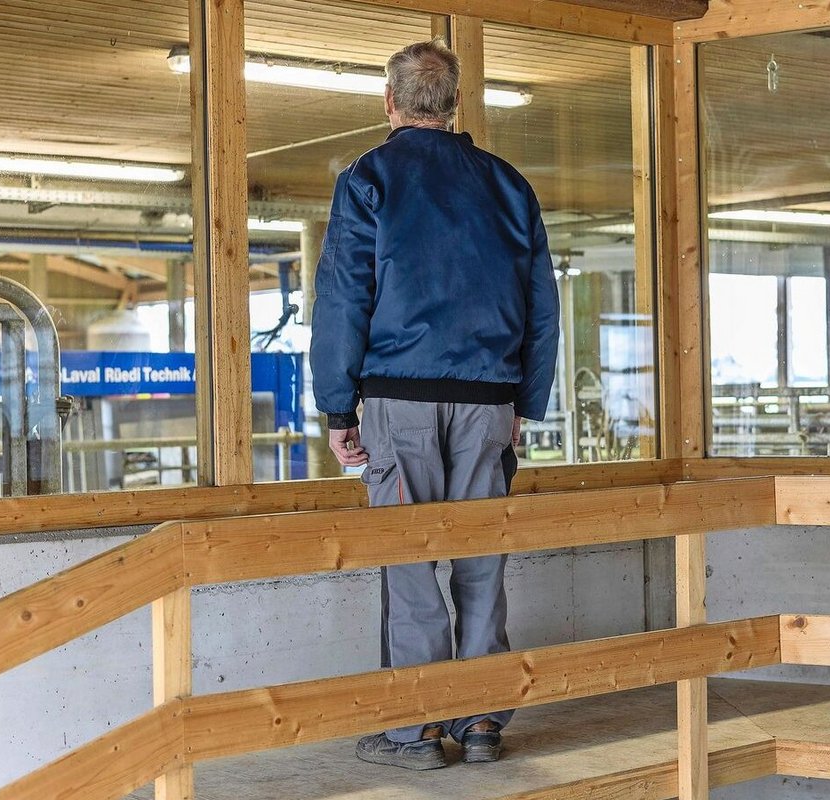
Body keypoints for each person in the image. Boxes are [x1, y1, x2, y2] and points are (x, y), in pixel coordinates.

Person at [310, 39, 559, 771]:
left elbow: (343, 300)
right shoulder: (508, 185)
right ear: (453, 106)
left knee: (410, 564)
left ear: (389, 103)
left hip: (399, 398)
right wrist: (524, 401)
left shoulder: (368, 180)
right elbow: (541, 307)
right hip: (488, 402)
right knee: (482, 557)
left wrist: (337, 410)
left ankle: (418, 730)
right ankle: (482, 720)